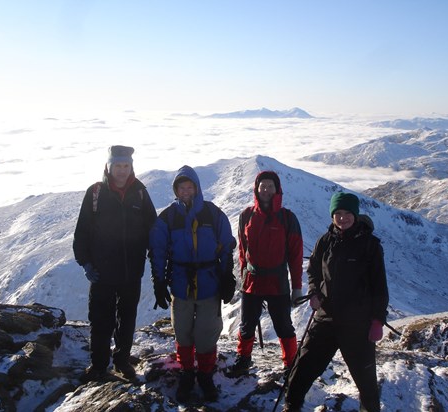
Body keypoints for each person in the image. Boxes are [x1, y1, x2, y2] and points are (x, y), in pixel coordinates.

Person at [283, 192, 389, 412]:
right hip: (327, 317)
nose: (342, 218)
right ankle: (291, 407)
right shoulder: (325, 240)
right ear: (332, 215)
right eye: (338, 213)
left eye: (347, 213)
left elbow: (379, 286)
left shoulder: (370, 245)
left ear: (355, 214)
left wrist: (378, 320)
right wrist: (314, 292)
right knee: (302, 369)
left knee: (366, 381)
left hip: (358, 324)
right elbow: (313, 270)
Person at [149, 165, 236, 403]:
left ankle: (205, 375)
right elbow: (157, 250)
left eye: (189, 187)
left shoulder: (213, 214)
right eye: (181, 187)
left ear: (197, 188)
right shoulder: (168, 217)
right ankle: (188, 373)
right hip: (180, 283)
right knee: (183, 332)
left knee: (207, 332)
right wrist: (158, 282)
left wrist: (227, 276)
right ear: (175, 191)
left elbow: (226, 246)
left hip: (209, 282)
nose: (185, 191)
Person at [73, 145, 156, 383]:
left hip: (131, 271)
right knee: (101, 319)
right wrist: (86, 263)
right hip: (102, 272)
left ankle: (122, 361)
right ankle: (99, 365)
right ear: (109, 166)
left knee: (127, 318)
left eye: (126, 166)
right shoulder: (95, 193)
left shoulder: (140, 192)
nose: (122, 171)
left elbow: (153, 228)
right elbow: (82, 232)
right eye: (117, 165)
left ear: (131, 167)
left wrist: (157, 258)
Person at [230, 171, 304, 374]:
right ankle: (243, 359)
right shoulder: (246, 215)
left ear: (277, 189)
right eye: (262, 186)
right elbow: (243, 250)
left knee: (283, 325)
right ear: (256, 189)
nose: (266, 190)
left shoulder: (287, 218)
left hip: (277, 281)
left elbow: (296, 256)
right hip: (252, 280)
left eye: (270, 186)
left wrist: (297, 287)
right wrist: (243, 274)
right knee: (247, 325)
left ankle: (291, 363)